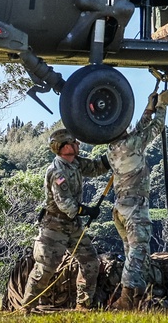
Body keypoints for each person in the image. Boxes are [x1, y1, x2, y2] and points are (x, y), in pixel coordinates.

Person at [20, 128, 111, 311]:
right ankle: (26, 307)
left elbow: (95, 168)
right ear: (66, 147)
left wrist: (114, 155)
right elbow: (65, 203)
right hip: (54, 226)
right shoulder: (57, 171)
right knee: (46, 268)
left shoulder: (75, 163)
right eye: (74, 142)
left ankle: (83, 304)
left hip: (73, 224)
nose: (78, 145)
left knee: (90, 261)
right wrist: (86, 210)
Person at [105, 89, 168, 310]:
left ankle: (138, 294)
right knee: (139, 250)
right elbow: (154, 129)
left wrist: (149, 108)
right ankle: (126, 297)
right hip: (135, 206)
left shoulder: (113, 148)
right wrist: (162, 107)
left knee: (130, 250)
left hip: (121, 207)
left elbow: (138, 132)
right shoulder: (130, 144)